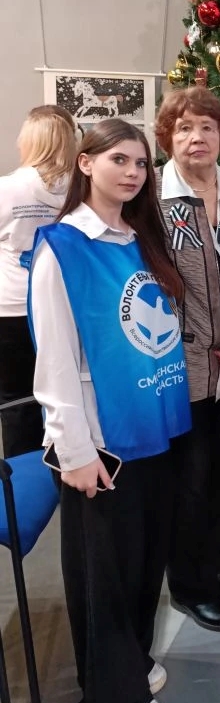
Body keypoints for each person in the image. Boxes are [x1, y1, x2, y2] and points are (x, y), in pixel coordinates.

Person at [30, 119, 190, 703]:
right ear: (85, 163)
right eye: (119, 159)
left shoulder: (141, 238)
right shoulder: (63, 247)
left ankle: (134, 660)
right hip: (104, 440)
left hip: (157, 428)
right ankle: (113, 690)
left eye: (141, 163)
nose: (132, 172)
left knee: (145, 564)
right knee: (106, 575)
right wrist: (74, 451)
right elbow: (54, 361)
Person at [154, 87, 220, 632]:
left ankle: (210, 567)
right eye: (184, 128)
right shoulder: (153, 194)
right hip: (184, 364)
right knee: (191, 480)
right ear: (167, 138)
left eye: (207, 127)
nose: (197, 137)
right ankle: (189, 586)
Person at [0, 105, 77, 457]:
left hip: (11, 308)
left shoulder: (8, 188)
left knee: (15, 401)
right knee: (64, 393)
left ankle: (23, 477)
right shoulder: (81, 190)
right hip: (62, 306)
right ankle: (66, 463)